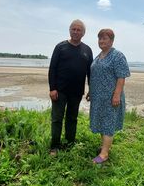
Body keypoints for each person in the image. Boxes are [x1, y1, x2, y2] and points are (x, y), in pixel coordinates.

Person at [48, 19, 93, 155]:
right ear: (69, 30)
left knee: (72, 119)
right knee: (57, 118)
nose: (76, 31)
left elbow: (90, 72)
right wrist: (52, 88)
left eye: (79, 30)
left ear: (83, 33)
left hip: (76, 92)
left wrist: (91, 88)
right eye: (73, 29)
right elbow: (52, 68)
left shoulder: (87, 50)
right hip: (59, 91)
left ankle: (69, 144)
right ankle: (54, 146)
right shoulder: (60, 47)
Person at [87, 28, 130, 164]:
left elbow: (121, 77)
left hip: (111, 97)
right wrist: (90, 91)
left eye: (105, 38)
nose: (101, 41)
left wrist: (116, 95)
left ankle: (104, 154)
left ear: (111, 40)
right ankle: (104, 147)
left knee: (108, 123)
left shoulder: (117, 56)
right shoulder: (98, 56)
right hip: (98, 97)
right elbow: (96, 76)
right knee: (101, 121)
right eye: (100, 38)